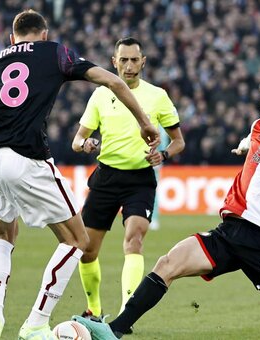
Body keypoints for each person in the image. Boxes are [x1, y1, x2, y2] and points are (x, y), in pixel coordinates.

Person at [73, 77, 260, 339]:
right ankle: (114, 331)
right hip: (228, 233)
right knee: (167, 264)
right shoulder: (259, 127)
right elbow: (251, 139)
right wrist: (244, 147)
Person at [0, 10, 159, 340]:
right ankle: (36, 323)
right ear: (43, 35)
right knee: (77, 241)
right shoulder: (54, 51)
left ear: (12, 39)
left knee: (3, 235)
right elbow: (113, 81)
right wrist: (145, 122)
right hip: (26, 157)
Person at [71, 37, 185, 323]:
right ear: (114, 62)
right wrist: (85, 145)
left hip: (140, 180)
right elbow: (77, 139)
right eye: (124, 60)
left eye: (135, 60)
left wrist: (165, 155)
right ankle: (94, 309)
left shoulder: (157, 96)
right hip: (106, 177)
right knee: (86, 251)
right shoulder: (99, 95)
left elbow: (178, 141)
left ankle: (125, 315)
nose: (129, 65)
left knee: (134, 240)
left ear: (143, 62)